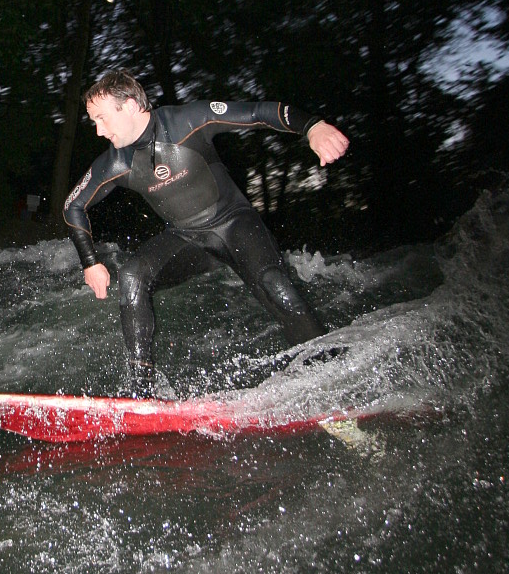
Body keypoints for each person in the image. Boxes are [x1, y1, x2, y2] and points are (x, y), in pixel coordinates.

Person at [62, 69, 350, 397]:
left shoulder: (189, 120)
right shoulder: (114, 163)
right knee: (131, 276)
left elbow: (257, 112)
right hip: (188, 239)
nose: (98, 131)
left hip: (234, 225)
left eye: (101, 119)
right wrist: (90, 262)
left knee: (276, 286)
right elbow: (73, 205)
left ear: (129, 106)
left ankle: (331, 379)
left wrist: (313, 127)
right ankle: (143, 395)